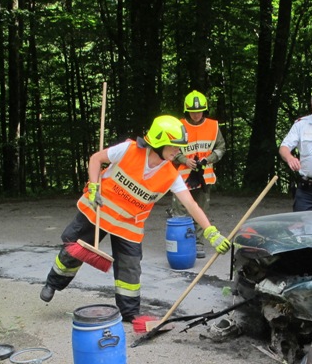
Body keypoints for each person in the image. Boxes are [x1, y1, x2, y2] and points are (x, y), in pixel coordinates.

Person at [39, 115, 231, 321]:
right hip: (99, 210)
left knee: (130, 269)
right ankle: (53, 283)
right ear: (158, 143)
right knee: (73, 250)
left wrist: (211, 232)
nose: (179, 151)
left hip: (129, 224)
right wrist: (94, 186)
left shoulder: (171, 175)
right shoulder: (128, 150)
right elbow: (96, 159)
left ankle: (129, 313)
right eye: (174, 146)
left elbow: (191, 204)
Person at [170, 90, 226, 258]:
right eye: (193, 112)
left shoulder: (213, 126)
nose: (196, 115)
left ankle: (199, 243)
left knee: (201, 209)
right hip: (183, 176)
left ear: (204, 110)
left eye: (199, 111)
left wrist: (209, 159)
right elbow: (171, 148)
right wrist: (183, 159)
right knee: (180, 209)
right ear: (187, 111)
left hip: (204, 176)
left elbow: (221, 148)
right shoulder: (179, 126)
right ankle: (181, 241)